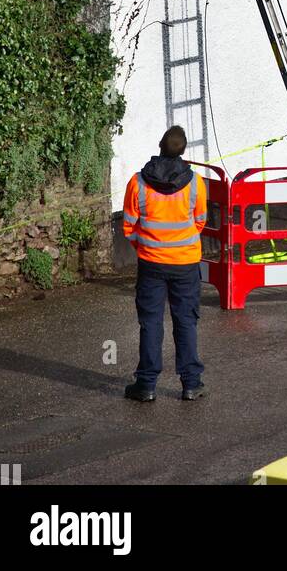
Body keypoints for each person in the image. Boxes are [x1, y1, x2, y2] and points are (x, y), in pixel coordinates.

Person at [122, 126, 208, 402]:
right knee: (186, 322)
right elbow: (200, 221)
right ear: (184, 150)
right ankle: (191, 384)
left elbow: (128, 226)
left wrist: (146, 247)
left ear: (160, 145)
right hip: (186, 263)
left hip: (151, 264)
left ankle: (146, 385)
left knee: (150, 323)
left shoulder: (137, 182)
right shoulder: (196, 183)